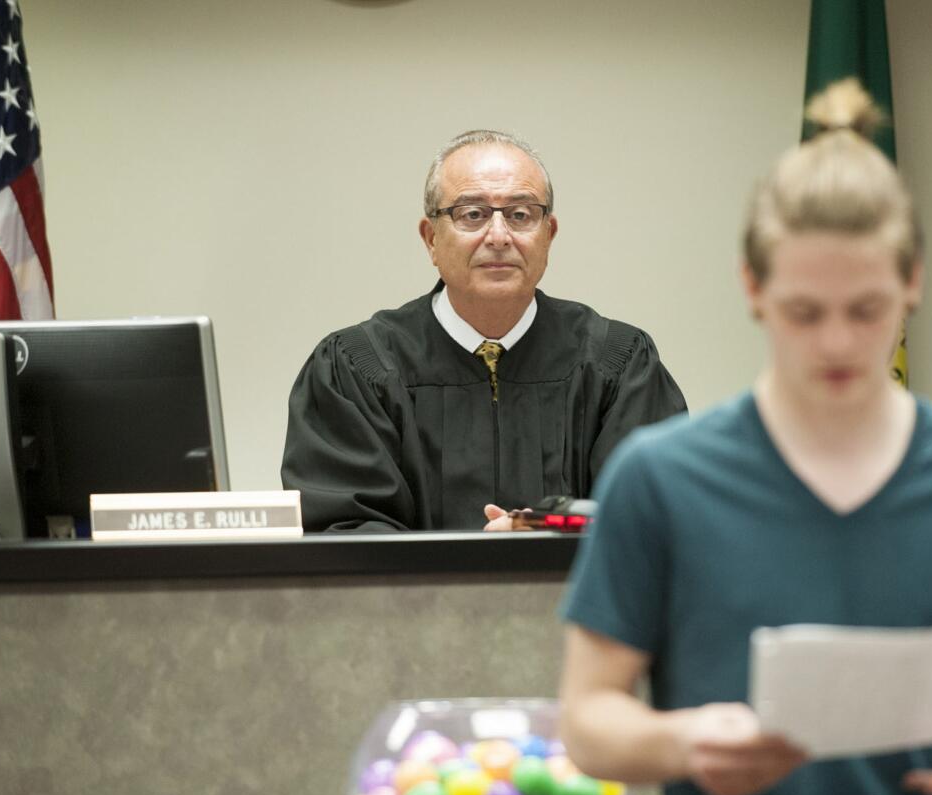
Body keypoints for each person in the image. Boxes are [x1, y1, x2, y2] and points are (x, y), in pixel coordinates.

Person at [558, 79, 932, 795]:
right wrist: (682, 740)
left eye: (866, 310)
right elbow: (588, 719)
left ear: (913, 284)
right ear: (753, 287)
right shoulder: (661, 476)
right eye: (804, 312)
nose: (837, 343)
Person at [282, 130, 686, 531]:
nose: (498, 236)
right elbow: (345, 533)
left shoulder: (618, 364)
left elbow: (654, 519)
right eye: (472, 214)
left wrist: (547, 544)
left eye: (521, 214)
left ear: (549, 234)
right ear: (431, 239)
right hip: (412, 597)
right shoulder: (355, 369)